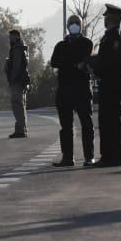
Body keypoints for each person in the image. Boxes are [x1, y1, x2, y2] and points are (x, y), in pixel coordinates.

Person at [50, 15, 95, 167]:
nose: (74, 25)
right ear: (67, 26)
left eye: (77, 23)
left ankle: (89, 157)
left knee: (86, 124)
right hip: (64, 89)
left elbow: (82, 58)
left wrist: (66, 62)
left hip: (82, 88)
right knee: (66, 126)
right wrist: (74, 64)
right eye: (71, 23)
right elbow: (54, 62)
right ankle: (67, 157)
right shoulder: (60, 45)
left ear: (81, 26)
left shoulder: (87, 43)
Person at [88, 4, 121, 167]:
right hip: (109, 83)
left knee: (111, 121)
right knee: (106, 120)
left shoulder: (115, 38)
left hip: (112, 83)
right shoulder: (112, 37)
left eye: (106, 17)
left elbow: (109, 62)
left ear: (111, 19)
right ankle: (108, 156)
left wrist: (95, 66)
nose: (104, 20)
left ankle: (112, 157)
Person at [5, 29, 31, 138]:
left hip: (18, 81)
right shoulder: (22, 47)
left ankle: (20, 130)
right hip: (22, 80)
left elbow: (16, 66)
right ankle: (21, 129)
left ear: (16, 37)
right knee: (20, 105)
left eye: (11, 37)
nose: (10, 39)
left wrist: (12, 79)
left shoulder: (17, 49)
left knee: (17, 105)